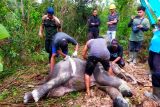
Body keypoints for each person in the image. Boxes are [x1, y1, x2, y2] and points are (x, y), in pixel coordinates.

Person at [144, 17, 160, 101]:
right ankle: (155, 93)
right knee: (153, 70)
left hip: (158, 53)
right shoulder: (157, 29)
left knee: (157, 73)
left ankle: (156, 96)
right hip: (153, 51)